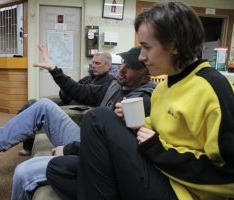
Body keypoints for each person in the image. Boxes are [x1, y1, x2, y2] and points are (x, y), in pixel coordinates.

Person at [47, 2, 234, 200]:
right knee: (58, 168)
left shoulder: (213, 89)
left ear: (175, 45)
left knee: (98, 118)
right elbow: (157, 132)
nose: (142, 57)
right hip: (155, 170)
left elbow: (229, 177)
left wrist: (158, 151)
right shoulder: (164, 87)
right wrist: (132, 123)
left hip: (179, 191)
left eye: (146, 47)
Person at [0, 45, 155, 200]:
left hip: (97, 154)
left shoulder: (140, 102)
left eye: (127, 67)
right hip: (86, 138)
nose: (120, 69)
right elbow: (80, 92)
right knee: (44, 105)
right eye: (121, 64)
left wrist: (69, 149)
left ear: (145, 74)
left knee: (23, 172)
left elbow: (115, 149)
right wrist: (54, 69)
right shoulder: (114, 84)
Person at [18, 51, 115, 156]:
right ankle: (24, 133)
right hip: (66, 102)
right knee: (33, 103)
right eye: (93, 63)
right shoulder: (88, 79)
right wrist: (65, 88)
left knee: (38, 108)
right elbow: (67, 95)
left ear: (107, 65)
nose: (93, 66)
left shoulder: (108, 84)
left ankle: (25, 140)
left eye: (97, 63)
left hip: (75, 108)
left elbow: (85, 97)